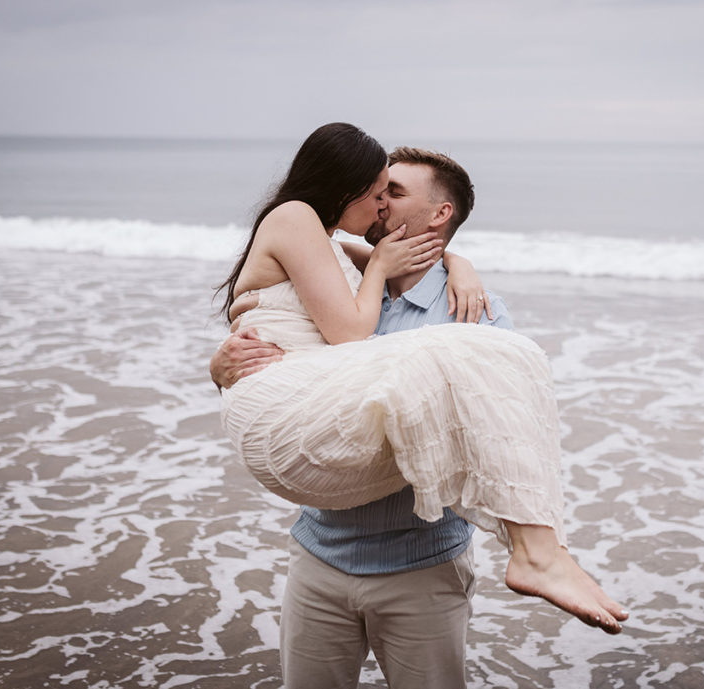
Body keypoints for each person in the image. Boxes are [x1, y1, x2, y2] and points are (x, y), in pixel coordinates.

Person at [214, 124, 628, 668]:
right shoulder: (340, 273)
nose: (381, 203)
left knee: (494, 353)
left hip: (420, 570)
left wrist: (457, 262)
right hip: (320, 555)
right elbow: (293, 330)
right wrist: (219, 368)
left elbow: (497, 433)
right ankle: (539, 555)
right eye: (377, 191)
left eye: (394, 191)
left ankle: (540, 553)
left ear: (439, 215)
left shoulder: (473, 312)